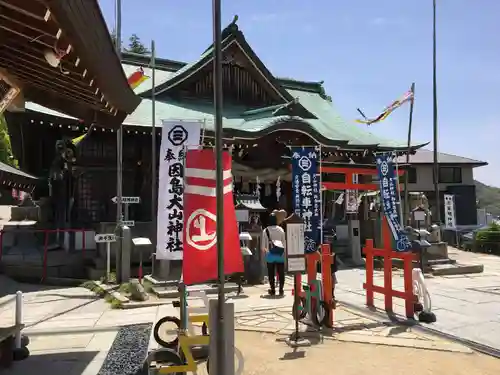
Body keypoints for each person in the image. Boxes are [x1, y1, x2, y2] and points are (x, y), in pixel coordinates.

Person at [262, 214, 286, 296]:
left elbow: (263, 246)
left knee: (271, 273)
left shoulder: (265, 231)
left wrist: (266, 252)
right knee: (281, 272)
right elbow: (284, 243)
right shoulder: (281, 230)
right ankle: (281, 289)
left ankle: (272, 290)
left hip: (270, 255)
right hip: (280, 254)